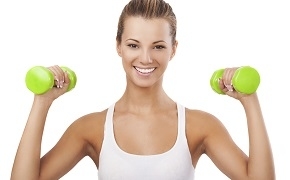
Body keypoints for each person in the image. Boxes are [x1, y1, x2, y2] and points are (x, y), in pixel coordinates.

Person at [11, 0, 275, 179]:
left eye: (158, 46)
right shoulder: (90, 128)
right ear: (118, 46)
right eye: (134, 45)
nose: (146, 58)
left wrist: (250, 101)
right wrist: (42, 102)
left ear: (174, 49)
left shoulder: (199, 126)